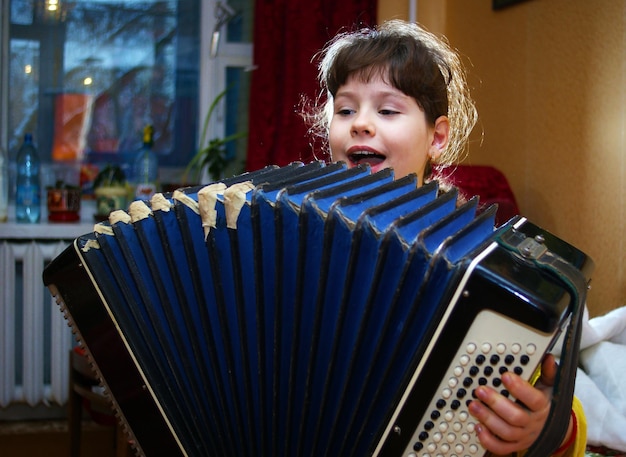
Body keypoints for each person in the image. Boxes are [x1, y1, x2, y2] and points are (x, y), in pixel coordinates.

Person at [308, 19, 586, 457]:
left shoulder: (477, 259)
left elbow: (542, 396)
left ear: (437, 136)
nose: (360, 124)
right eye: (345, 110)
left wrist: (547, 426)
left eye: (387, 110)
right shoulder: (293, 234)